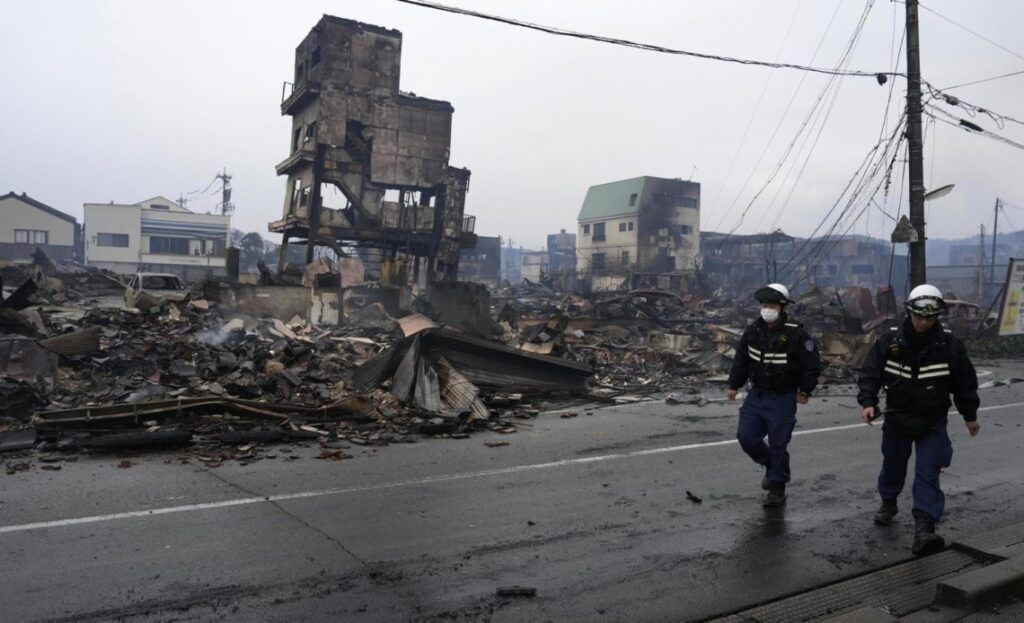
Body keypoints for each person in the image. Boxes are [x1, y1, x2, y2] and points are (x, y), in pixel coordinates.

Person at [857, 284, 980, 556]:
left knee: (928, 471)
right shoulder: (889, 342)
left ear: (936, 316)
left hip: (932, 421)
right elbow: (869, 373)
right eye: (918, 316)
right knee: (893, 465)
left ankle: (924, 527)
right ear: (909, 313)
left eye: (929, 317)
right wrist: (868, 402)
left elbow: (964, 383)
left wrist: (970, 415)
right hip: (897, 418)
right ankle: (888, 501)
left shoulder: (949, 345)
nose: (923, 322)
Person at [728, 283, 822, 507]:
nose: (766, 309)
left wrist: (805, 390)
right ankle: (772, 465)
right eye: (763, 305)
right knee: (746, 437)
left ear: (782, 308)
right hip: (757, 395)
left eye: (771, 305)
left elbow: (812, 365)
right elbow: (741, 360)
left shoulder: (797, 334)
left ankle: (777, 488)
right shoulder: (753, 332)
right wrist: (734, 385)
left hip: (783, 398)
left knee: (779, 443)